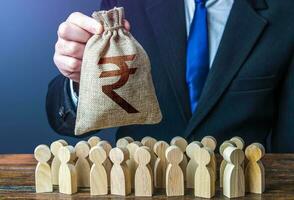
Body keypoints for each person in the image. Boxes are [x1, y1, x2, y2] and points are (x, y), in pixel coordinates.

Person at [47, 0, 294, 152]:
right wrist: (81, 80)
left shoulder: (286, 12)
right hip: (144, 184)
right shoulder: (129, 4)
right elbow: (64, 121)